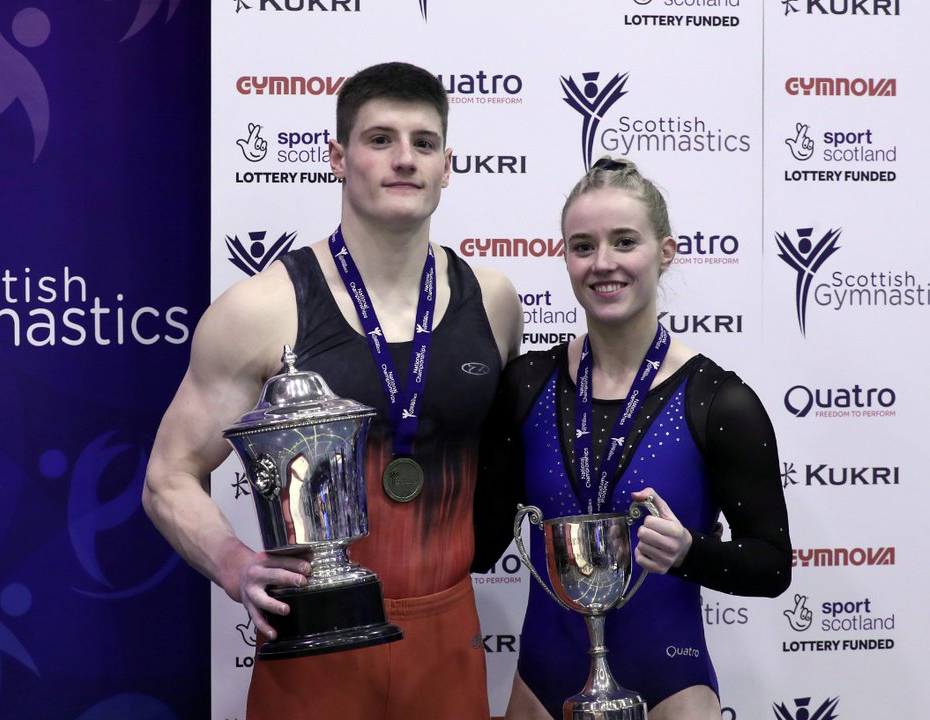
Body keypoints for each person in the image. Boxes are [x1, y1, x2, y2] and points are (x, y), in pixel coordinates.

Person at [143, 61, 522, 720]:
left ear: (447, 165)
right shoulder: (263, 309)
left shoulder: (493, 301)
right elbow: (167, 476)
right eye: (380, 139)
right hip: (314, 643)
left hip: (448, 643)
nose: (404, 159)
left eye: (423, 142)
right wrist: (233, 563)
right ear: (338, 157)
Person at [473, 157, 792, 720]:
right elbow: (479, 547)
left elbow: (771, 566)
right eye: (583, 246)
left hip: (671, 689)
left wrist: (690, 552)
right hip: (542, 690)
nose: (603, 263)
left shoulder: (719, 403)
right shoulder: (525, 386)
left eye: (624, 242)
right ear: (565, 257)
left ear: (665, 252)